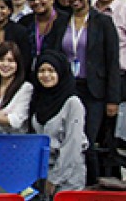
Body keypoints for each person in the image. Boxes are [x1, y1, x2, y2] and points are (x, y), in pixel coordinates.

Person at [63, 0, 120, 185]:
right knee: (69, 138)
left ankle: (93, 186)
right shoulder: (62, 21)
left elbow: (113, 61)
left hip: (94, 91)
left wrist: (113, 99)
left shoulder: (103, 22)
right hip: (68, 89)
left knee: (87, 139)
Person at [30, 50, 88, 193]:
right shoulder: (38, 99)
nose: (46, 75)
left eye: (51, 70)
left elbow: (72, 146)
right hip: (41, 172)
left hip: (68, 176)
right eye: (41, 70)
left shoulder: (73, 103)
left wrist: (55, 179)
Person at [0, 41, 33, 134]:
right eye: (1, 60)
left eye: (10, 60)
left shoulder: (25, 88)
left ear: (18, 64)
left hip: (16, 142)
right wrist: (3, 115)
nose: (5, 64)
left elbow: (16, 121)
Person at [18, 0, 68, 67]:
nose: (36, 2)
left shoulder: (65, 20)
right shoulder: (24, 22)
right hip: (29, 72)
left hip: (57, 71)